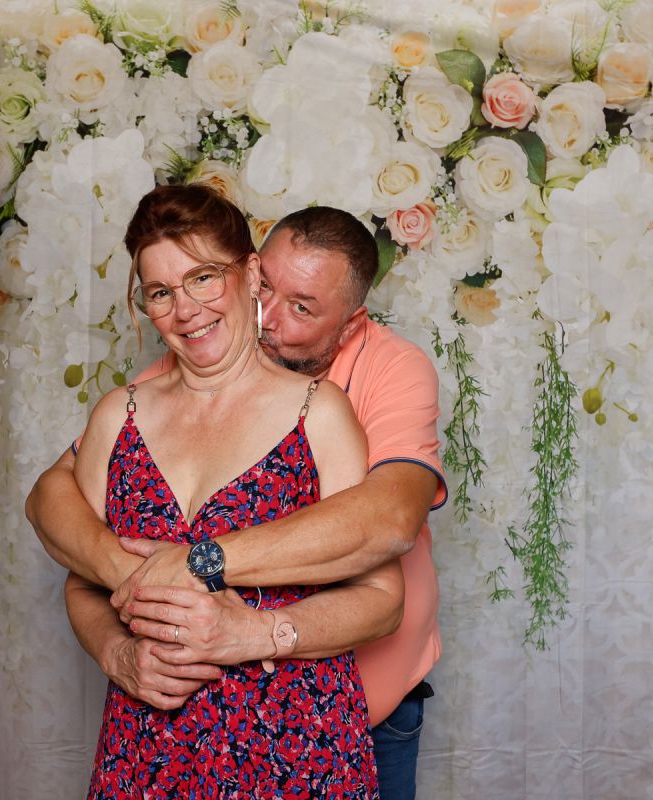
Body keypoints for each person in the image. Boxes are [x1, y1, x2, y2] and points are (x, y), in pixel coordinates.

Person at [29, 203, 448, 800]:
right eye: (160, 292)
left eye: (203, 278)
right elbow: (62, 520)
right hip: (146, 747)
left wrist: (209, 578)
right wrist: (119, 641)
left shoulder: (344, 397)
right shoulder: (127, 407)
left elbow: (388, 527)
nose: (268, 319)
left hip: (306, 737)